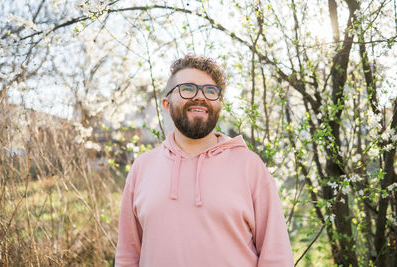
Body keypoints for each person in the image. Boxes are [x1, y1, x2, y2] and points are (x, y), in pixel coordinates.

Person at [115, 54, 294, 267]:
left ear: (219, 105)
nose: (200, 97)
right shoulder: (142, 168)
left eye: (210, 91)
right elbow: (128, 256)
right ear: (166, 103)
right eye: (188, 88)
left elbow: (276, 256)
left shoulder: (250, 166)